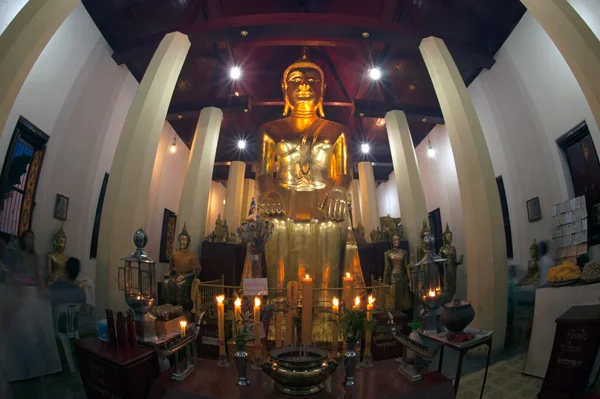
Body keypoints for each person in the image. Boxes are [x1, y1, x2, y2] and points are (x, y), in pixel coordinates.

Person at [0, 230, 62, 382]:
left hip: (34, 289)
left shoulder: (35, 256)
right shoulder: (17, 255)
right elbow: (14, 274)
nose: (30, 241)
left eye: (32, 238)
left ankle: (41, 362)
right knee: (25, 313)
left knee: (41, 310)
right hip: (20, 289)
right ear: (23, 239)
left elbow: (39, 275)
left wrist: (42, 288)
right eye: (27, 238)